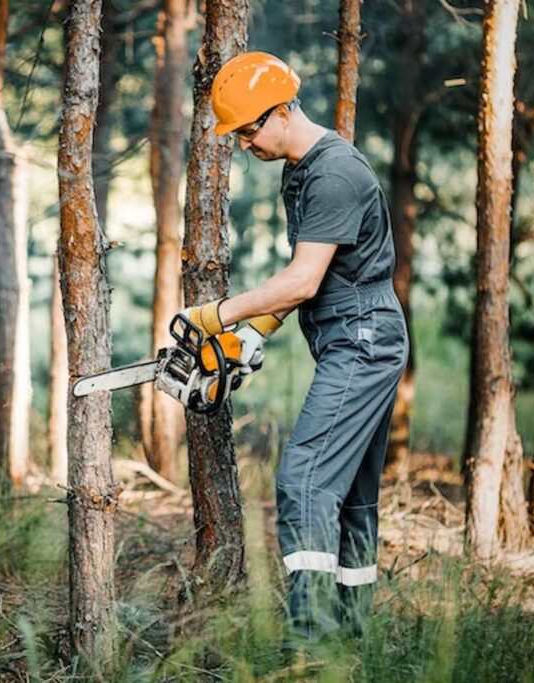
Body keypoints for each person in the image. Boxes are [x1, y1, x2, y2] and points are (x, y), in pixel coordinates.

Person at [177, 52, 408, 647]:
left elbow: (304, 281)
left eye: (250, 129)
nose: (244, 144)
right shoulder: (302, 169)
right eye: (238, 135)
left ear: (282, 111)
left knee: (303, 479)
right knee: (353, 495)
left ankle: (307, 646)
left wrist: (215, 315)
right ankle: (351, 644)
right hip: (352, 335)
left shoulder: (333, 174)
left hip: (362, 338)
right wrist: (253, 334)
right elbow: (317, 276)